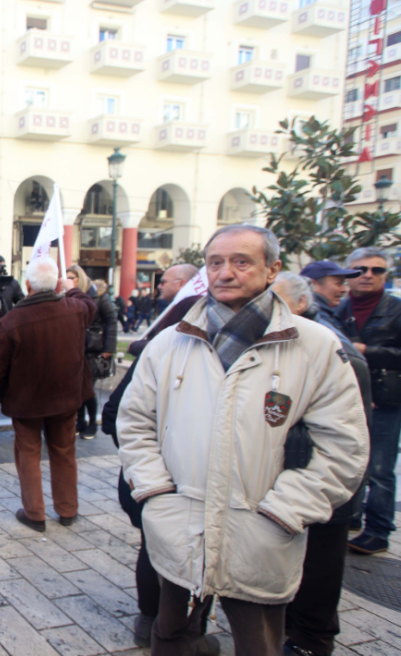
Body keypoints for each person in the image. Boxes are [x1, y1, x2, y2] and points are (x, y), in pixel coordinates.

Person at [118, 225, 368, 656]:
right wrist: (157, 496)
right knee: (172, 636)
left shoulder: (315, 347)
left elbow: (343, 447)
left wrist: (285, 511)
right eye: (216, 262)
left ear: (272, 270)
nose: (226, 273)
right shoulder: (169, 343)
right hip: (181, 529)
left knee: (259, 644)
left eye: (241, 261)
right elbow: (135, 423)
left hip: (261, 534)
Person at [101, 270, 211, 653]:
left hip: (208, 489)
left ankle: (185, 628)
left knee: (196, 554)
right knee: (158, 545)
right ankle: (157, 623)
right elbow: (117, 417)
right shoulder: (165, 349)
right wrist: (153, 479)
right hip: (159, 484)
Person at [273, 272, 372, 656]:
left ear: (301, 302)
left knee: (319, 568)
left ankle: (311, 640)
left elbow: (348, 440)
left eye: (277, 301)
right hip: (293, 478)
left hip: (325, 484)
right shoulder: (289, 339)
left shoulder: (333, 348)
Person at [0, 256, 95, 532]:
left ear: (28, 285)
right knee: (64, 451)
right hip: (66, 397)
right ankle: (67, 509)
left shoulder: (11, 322)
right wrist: (70, 287)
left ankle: (35, 513)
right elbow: (90, 304)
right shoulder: (75, 309)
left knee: (28, 454)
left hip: (26, 402)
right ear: (57, 283)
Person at [336, 247, 401, 555]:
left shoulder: (396, 310)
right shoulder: (340, 306)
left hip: (385, 400)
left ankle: (378, 529)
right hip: (348, 399)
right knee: (349, 460)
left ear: (386, 276)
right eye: (361, 269)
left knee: (379, 467)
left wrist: (366, 350)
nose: (368, 276)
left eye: (377, 271)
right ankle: (353, 516)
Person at [67, 267, 116, 440]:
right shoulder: (69, 297)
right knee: (77, 388)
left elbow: (111, 321)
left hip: (94, 350)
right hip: (76, 349)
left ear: (79, 278)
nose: (67, 280)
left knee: (88, 389)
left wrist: (109, 348)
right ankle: (80, 422)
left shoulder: (100, 297)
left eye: (71, 277)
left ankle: (92, 423)